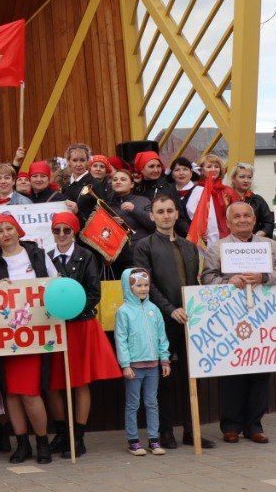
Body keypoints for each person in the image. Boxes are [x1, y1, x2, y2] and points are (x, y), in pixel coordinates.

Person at [202, 201, 276, 443]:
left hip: (264, 319)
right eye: (237, 217)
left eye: (247, 216)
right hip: (231, 320)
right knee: (232, 371)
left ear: (254, 221)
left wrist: (264, 277)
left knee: (260, 370)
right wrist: (227, 282)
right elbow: (207, 277)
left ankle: (254, 425)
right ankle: (230, 426)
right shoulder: (217, 248)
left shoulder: (269, 245)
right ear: (229, 222)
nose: (243, 220)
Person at [132, 195, 208, 449]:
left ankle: (191, 430)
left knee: (192, 376)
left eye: (169, 211)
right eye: (160, 211)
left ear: (177, 214)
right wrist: (169, 309)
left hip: (189, 320)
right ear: (152, 216)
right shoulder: (144, 246)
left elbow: (195, 282)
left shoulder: (189, 246)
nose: (165, 215)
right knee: (162, 379)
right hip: (160, 321)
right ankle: (164, 431)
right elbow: (146, 284)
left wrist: (194, 309)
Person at [44, 212, 120, 458]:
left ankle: (78, 436)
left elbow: (93, 292)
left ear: (74, 232)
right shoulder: (45, 258)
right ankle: (62, 433)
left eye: (67, 230)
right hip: (54, 327)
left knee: (80, 382)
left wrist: (72, 312)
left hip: (79, 325)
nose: (62, 235)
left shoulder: (85, 256)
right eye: (58, 230)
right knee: (52, 383)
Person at [0, 213, 52, 464]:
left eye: (9, 228)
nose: (5, 234)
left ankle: (42, 442)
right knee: (11, 392)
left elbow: (55, 284)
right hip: (5, 335)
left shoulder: (37, 255)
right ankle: (21, 443)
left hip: (35, 333)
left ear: (18, 230)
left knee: (30, 392)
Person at [114, 268, 171, 455]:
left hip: (153, 366)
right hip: (134, 368)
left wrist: (165, 360)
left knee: (151, 402)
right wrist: (125, 365)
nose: (143, 289)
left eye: (146, 285)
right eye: (138, 285)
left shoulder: (154, 310)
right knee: (133, 403)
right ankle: (133, 440)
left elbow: (162, 336)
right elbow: (120, 339)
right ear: (128, 287)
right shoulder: (123, 312)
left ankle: (154, 439)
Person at [231, 163, 275, 238]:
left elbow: (269, 223)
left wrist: (260, 234)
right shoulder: (225, 198)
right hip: (230, 243)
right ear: (233, 178)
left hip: (253, 245)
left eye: (249, 177)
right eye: (242, 177)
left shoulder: (258, 200)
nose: (246, 180)